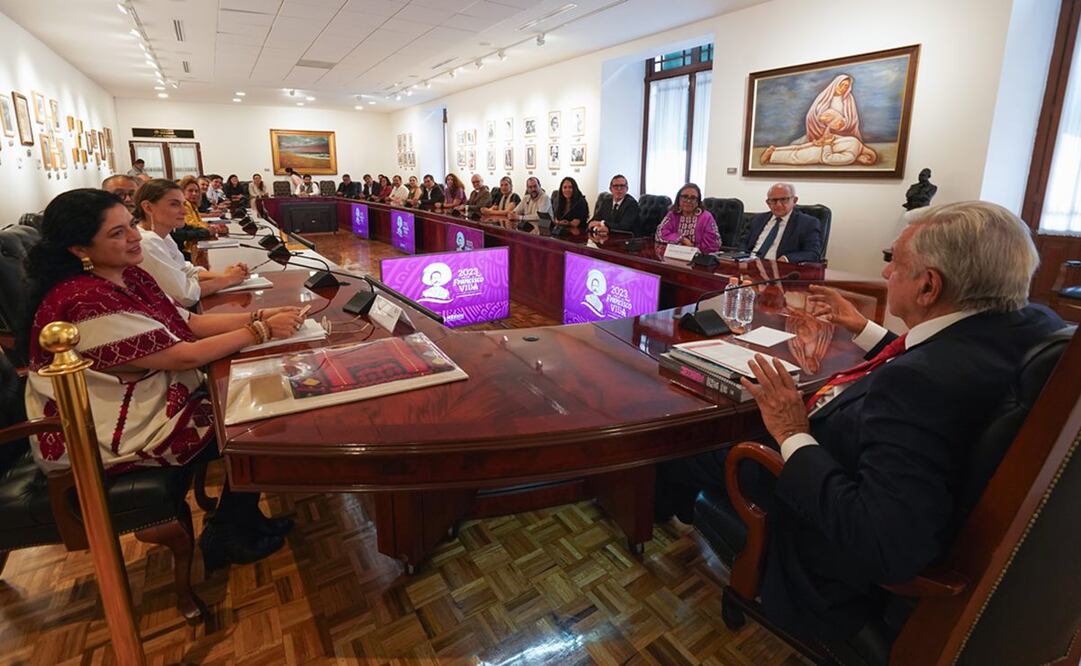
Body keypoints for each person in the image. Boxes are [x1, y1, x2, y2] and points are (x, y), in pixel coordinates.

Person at [655, 200, 1065, 642]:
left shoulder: (917, 385)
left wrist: (791, 433)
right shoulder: (1031, 324)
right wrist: (864, 329)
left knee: (682, 440)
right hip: (876, 462)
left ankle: (651, 522)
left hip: (813, 503)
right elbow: (944, 362)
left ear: (928, 286)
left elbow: (883, 542)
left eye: (895, 262)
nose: (886, 274)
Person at [21, 189, 303, 569]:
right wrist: (262, 333)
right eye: (117, 234)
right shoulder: (84, 301)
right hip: (103, 431)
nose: (136, 237)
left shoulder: (128, 275)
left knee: (255, 399)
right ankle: (228, 531)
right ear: (79, 249)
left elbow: (191, 323)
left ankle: (244, 519)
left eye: (130, 225)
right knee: (254, 422)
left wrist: (261, 317)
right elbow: (180, 355)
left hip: (147, 397)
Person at [135, 179, 250, 306]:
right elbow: (184, 295)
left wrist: (225, 274)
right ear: (148, 207)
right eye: (174, 204)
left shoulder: (163, 236)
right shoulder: (145, 242)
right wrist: (228, 279)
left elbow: (187, 270)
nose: (184, 211)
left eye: (183, 204)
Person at [740, 183, 823, 263]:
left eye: (783, 200)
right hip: (749, 266)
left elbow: (813, 253)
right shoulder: (757, 219)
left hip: (781, 270)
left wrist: (787, 258)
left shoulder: (808, 223)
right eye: (773, 200)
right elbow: (742, 242)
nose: (778, 205)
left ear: (794, 200)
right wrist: (742, 255)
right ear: (768, 203)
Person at [762, 110, 877, 167]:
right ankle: (771, 155)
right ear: (867, 157)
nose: (862, 162)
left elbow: (835, 141)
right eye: (866, 161)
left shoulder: (855, 142)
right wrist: (826, 142)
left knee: (797, 150)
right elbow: (828, 157)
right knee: (796, 156)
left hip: (821, 147)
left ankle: (773, 151)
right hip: (819, 150)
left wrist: (825, 141)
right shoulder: (852, 155)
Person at [654, 183, 720, 253]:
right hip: (674, 254)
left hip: (699, 257)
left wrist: (691, 249)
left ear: (698, 201)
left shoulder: (706, 217)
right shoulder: (672, 214)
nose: (688, 201)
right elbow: (659, 234)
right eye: (685, 197)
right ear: (679, 198)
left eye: (693, 198)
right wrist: (682, 239)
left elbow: (714, 244)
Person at [805, 74, 861, 143]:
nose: (843, 88)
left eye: (846, 86)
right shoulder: (824, 96)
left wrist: (843, 124)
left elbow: (853, 120)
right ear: (836, 84)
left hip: (842, 133)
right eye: (841, 84)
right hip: (821, 132)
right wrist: (823, 120)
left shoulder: (849, 99)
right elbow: (811, 115)